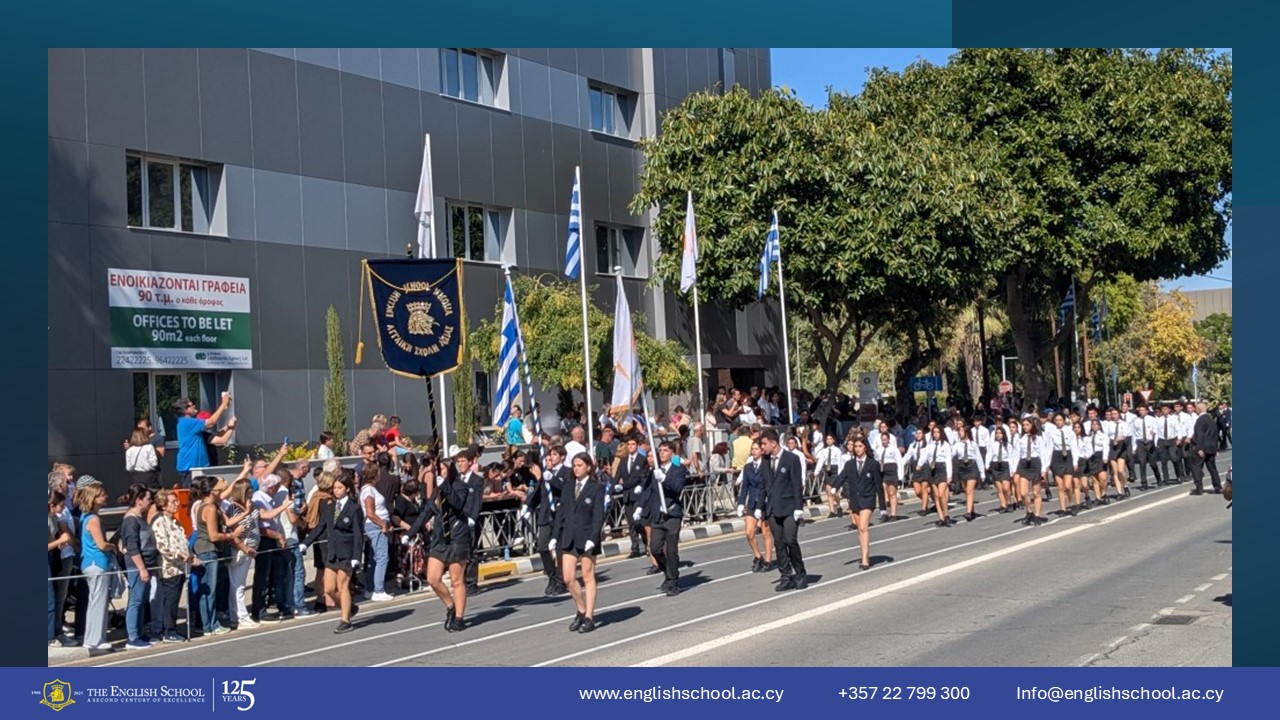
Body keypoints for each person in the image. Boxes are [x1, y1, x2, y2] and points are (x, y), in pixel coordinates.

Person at [418, 449, 483, 632]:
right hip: (442, 537)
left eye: (462, 460)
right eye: (458, 461)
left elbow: (463, 503)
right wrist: (411, 532)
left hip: (460, 534)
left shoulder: (467, 483)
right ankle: (450, 606)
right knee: (433, 578)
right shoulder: (443, 486)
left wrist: (472, 517)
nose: (460, 464)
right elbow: (428, 510)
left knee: (457, 580)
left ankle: (459, 618)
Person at [549, 453, 607, 632]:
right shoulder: (568, 486)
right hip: (570, 536)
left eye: (580, 465)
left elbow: (598, 515)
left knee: (588, 576)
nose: (576, 468)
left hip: (588, 537)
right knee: (568, 578)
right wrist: (554, 536)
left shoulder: (596, 487)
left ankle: (589, 617)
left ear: (588, 467)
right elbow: (562, 513)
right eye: (574, 465)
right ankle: (581, 609)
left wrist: (593, 537)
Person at [301, 473, 364, 634]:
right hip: (332, 552)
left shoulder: (354, 508)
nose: (336, 491)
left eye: (340, 488)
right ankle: (349, 607)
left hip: (347, 553)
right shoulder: (329, 507)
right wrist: (306, 543)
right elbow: (320, 527)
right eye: (335, 488)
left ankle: (345, 620)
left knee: (343, 586)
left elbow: (358, 534)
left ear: (347, 489)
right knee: (329, 589)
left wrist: (357, 556)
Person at [191, 477, 243, 637]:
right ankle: (211, 625)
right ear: (212, 491)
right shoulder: (210, 508)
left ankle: (207, 624)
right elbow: (213, 535)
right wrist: (231, 535)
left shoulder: (206, 505)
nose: (221, 493)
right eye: (218, 490)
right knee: (209, 589)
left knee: (207, 589)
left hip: (206, 548)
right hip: (208, 549)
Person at [759, 428, 807, 591]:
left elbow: (796, 484)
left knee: (790, 540)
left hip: (789, 508)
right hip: (772, 509)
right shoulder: (765, 460)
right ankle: (786, 576)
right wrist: (759, 507)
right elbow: (763, 485)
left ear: (773, 443)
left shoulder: (791, 459)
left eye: (764, 443)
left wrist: (798, 507)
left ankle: (800, 573)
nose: (762, 447)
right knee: (779, 543)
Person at [520, 445, 567, 596]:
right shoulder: (545, 474)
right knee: (542, 547)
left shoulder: (567, 472)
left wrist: (551, 479)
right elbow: (538, 494)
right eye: (550, 455)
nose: (551, 458)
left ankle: (561, 581)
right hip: (546, 516)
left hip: (560, 516)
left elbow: (565, 489)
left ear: (562, 457)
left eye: (554, 455)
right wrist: (528, 507)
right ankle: (552, 576)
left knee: (560, 551)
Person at [151, 489, 195, 643]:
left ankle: (171, 628)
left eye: (177, 501)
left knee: (175, 600)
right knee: (170, 600)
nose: (177, 504)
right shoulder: (159, 522)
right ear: (163, 505)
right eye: (173, 501)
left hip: (180, 568)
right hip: (169, 569)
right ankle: (168, 631)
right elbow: (162, 546)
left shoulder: (175, 521)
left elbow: (182, 541)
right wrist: (180, 555)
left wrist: (189, 555)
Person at [77, 482, 116, 653]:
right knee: (98, 602)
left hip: (90, 563)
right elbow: (101, 544)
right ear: (94, 499)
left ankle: (94, 638)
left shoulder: (85, 517)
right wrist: (113, 546)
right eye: (101, 495)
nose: (105, 496)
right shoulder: (93, 519)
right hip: (97, 563)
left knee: (95, 601)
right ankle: (94, 640)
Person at [119, 484, 158, 649]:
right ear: (139, 501)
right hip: (136, 566)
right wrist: (141, 568)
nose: (150, 501)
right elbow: (132, 546)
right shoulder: (131, 520)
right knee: (136, 600)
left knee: (142, 600)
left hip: (147, 563)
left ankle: (140, 633)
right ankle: (133, 637)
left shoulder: (140, 518)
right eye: (148, 499)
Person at [251, 473, 295, 620]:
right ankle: (259, 610)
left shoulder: (269, 498)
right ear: (271, 488)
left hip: (271, 539)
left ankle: (270, 604)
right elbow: (265, 517)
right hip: (264, 540)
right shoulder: (259, 498)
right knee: (262, 576)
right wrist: (285, 505)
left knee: (271, 575)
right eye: (276, 487)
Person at [645, 442, 687, 597]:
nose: (662, 453)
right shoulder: (655, 471)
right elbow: (649, 491)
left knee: (671, 550)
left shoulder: (678, 470)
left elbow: (677, 488)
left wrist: (664, 479)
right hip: (658, 515)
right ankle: (668, 572)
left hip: (672, 514)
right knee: (655, 549)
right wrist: (640, 508)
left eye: (665, 450)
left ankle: (673, 581)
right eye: (660, 450)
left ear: (672, 453)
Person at [838, 437, 879, 570]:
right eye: (855, 446)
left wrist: (883, 507)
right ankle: (864, 554)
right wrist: (834, 488)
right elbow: (842, 476)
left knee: (863, 527)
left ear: (865, 447)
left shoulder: (873, 464)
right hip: (855, 500)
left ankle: (865, 560)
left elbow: (878, 484)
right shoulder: (850, 464)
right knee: (859, 530)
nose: (857, 449)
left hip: (868, 499)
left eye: (860, 446)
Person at [174, 393, 232, 486]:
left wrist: (224, 409)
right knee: (193, 493)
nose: (194, 406)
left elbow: (213, 435)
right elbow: (211, 423)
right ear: (186, 410)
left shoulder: (190, 424)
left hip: (197, 467)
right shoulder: (187, 422)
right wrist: (223, 404)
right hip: (190, 467)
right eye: (192, 405)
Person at [736, 440, 775, 572]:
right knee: (749, 532)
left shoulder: (766, 466)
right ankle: (758, 556)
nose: (754, 451)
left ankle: (768, 560)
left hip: (764, 502)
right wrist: (741, 503)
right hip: (752, 502)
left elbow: (765, 485)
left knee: (766, 533)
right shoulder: (748, 467)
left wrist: (762, 505)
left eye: (756, 449)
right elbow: (745, 486)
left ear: (762, 451)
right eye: (752, 449)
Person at [357, 466, 393, 603]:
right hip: (375, 525)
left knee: (374, 558)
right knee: (382, 557)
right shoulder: (368, 491)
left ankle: (371, 588)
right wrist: (382, 524)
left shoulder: (371, 489)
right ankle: (379, 590)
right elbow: (370, 513)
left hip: (377, 524)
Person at [47, 490, 73, 647]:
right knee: (49, 599)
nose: (63, 509)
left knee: (56, 596)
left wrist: (60, 542)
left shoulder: (53, 517)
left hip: (52, 557)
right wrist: (59, 541)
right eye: (61, 505)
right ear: (52, 505)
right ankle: (49, 637)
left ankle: (56, 631)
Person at [1015, 418, 1051, 525]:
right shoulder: (1020, 439)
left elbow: (1043, 454)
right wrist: (1014, 468)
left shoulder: (1038, 438)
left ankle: (1037, 515)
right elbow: (1016, 454)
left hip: (1035, 463)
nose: (1025, 427)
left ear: (1032, 426)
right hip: (1024, 464)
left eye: (1027, 425)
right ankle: (1029, 511)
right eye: (1024, 425)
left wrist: (1044, 469)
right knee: (1023, 492)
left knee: (1036, 492)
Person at [952, 425, 985, 522]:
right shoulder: (957, 445)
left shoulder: (973, 444)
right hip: (962, 467)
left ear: (966, 432)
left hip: (972, 466)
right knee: (966, 491)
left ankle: (968, 512)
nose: (960, 433)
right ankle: (972, 510)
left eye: (962, 431)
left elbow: (978, 458)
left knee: (970, 491)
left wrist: (982, 472)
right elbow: (951, 454)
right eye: (959, 431)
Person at [1191, 401, 1223, 495]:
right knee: (1212, 468)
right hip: (1211, 448)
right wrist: (1216, 448)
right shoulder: (1211, 419)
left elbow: (1200, 435)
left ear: (1198, 409)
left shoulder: (1200, 420)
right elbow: (1215, 435)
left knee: (1197, 467)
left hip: (1203, 448)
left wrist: (1199, 448)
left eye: (1196, 409)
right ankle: (1218, 487)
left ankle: (1199, 488)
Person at [874, 431, 905, 521]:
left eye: (885, 439)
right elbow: (876, 461)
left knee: (892, 493)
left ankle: (893, 514)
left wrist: (900, 476)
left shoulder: (894, 449)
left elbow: (899, 462)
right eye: (882, 440)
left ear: (888, 440)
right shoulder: (878, 450)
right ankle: (884, 513)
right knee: (882, 491)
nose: (884, 441)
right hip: (882, 472)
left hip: (892, 471)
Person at [1132, 404, 1162, 490]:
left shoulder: (1152, 419)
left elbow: (1156, 431)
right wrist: (1134, 447)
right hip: (1140, 442)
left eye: (1143, 410)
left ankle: (1158, 478)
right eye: (1140, 410)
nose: (1141, 412)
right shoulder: (1136, 421)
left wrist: (1155, 442)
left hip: (1150, 442)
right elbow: (1134, 435)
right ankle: (1144, 483)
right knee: (1142, 463)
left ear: (1146, 411)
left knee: (1153, 463)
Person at [986, 426, 1015, 513]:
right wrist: (987, 464)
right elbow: (989, 454)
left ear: (1003, 434)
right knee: (999, 488)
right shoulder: (993, 445)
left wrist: (1012, 470)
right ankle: (1003, 505)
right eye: (997, 433)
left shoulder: (1008, 445)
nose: (998, 435)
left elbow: (1011, 458)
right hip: (995, 466)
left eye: (1000, 433)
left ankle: (1009, 502)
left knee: (1006, 487)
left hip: (1005, 466)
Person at [814, 434, 843, 519]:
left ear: (833, 440)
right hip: (828, 470)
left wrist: (840, 474)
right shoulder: (824, 451)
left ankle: (838, 506)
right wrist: (817, 471)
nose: (829, 441)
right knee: (828, 491)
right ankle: (832, 511)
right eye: (827, 439)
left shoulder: (837, 450)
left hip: (835, 470)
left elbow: (840, 462)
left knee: (835, 491)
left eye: (830, 439)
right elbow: (821, 461)